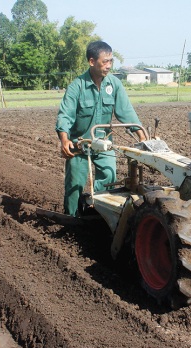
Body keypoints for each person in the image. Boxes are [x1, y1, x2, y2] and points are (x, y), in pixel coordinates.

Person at [55, 41, 146, 217]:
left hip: (104, 144)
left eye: (111, 61)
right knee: (75, 185)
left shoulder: (114, 85)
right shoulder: (77, 86)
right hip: (79, 146)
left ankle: (97, 212)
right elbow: (65, 114)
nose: (108, 65)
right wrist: (64, 140)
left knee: (109, 176)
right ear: (91, 61)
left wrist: (142, 134)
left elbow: (126, 112)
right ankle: (71, 218)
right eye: (105, 62)